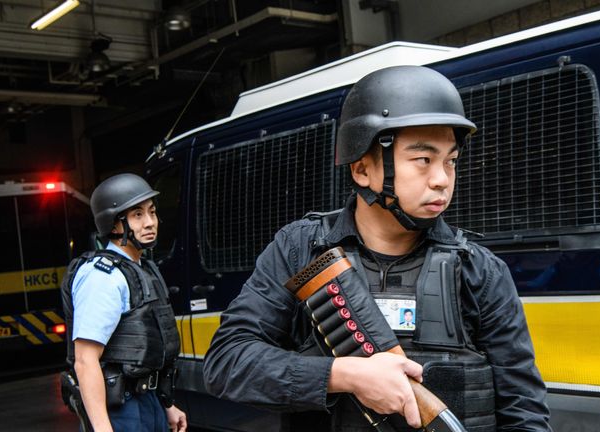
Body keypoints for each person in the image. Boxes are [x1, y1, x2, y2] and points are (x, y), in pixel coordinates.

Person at [203, 65, 551, 432]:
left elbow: (523, 411)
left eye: (450, 161)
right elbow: (228, 362)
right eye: (423, 160)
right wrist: (344, 374)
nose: (442, 180)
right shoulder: (301, 249)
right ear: (362, 170)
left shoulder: (480, 270)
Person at [60, 173, 187, 432]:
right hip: (120, 409)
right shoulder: (101, 276)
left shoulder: (143, 268)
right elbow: (85, 360)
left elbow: (146, 349)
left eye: (152, 212)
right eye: (137, 215)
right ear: (113, 224)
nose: (150, 222)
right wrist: (103, 429)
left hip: (147, 400)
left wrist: (166, 405)